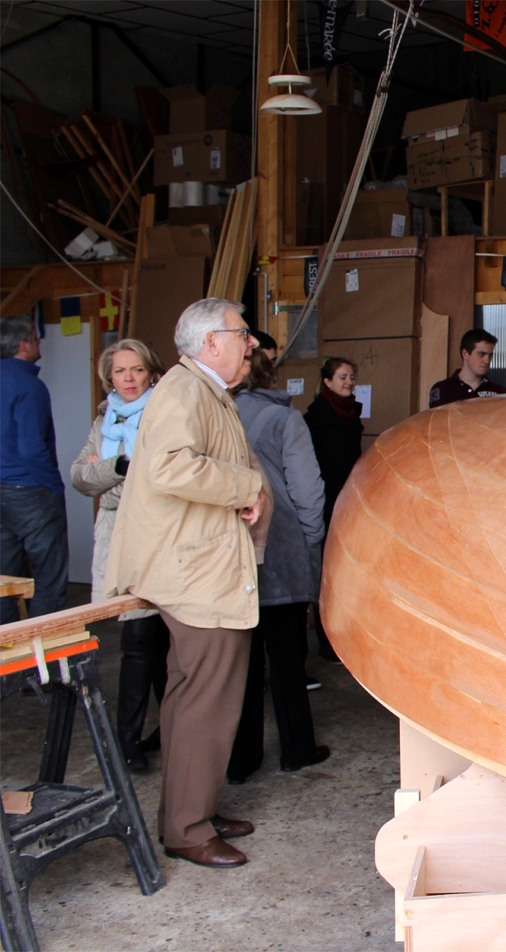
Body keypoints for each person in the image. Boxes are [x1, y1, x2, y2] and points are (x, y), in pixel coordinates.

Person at [103, 298, 268, 870]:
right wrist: (247, 487)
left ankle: (189, 809)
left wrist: (242, 493)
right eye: (242, 334)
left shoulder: (200, 389)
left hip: (194, 565)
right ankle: (188, 829)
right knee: (206, 700)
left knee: (188, 698)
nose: (250, 343)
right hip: (193, 572)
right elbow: (170, 467)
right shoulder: (184, 389)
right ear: (210, 342)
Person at [227, 349, 331, 784]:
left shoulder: (219, 415)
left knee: (240, 664)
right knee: (288, 657)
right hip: (282, 551)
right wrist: (311, 543)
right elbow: (307, 489)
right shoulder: (285, 420)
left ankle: (242, 760)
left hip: (231, 554)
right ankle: (297, 749)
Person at [70, 339, 169, 773]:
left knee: (167, 641)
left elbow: (162, 477)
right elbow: (79, 476)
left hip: (160, 536)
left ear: (151, 372)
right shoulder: (103, 420)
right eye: (119, 371)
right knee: (136, 643)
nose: (128, 379)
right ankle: (127, 741)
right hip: (120, 540)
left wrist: (108, 472)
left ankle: (170, 731)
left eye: (136, 370)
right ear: (108, 377)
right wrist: (120, 467)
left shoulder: (163, 413)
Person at [0, 314, 69, 624]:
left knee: (5, 581)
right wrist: (53, 485)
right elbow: (31, 448)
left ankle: (7, 663)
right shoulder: (30, 386)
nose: (40, 341)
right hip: (30, 491)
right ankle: (42, 663)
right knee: (49, 580)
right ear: (24, 344)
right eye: (35, 337)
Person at [303, 357, 363, 665]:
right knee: (327, 574)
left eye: (352, 377)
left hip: (347, 502)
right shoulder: (317, 418)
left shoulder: (351, 414)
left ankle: (344, 637)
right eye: (343, 376)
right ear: (327, 381)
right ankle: (328, 641)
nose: (349, 382)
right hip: (325, 504)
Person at [428, 329, 506, 408]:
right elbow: (436, 419)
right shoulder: (442, 389)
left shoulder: (499, 392)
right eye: (481, 354)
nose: (487, 360)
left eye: (490, 355)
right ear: (465, 354)